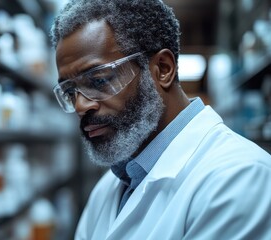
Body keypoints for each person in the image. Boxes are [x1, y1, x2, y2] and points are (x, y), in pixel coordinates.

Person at [50, 0, 271, 239]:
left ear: (163, 69)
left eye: (99, 80)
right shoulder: (111, 185)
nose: (81, 106)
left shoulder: (239, 178)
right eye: (70, 92)